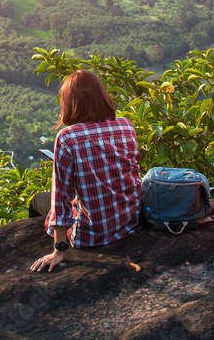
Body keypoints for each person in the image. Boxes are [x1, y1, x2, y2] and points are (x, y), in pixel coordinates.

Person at [29, 69, 141, 272]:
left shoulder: (68, 138)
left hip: (91, 234)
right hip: (129, 223)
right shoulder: (126, 125)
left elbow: (60, 197)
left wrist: (59, 251)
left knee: (38, 200)